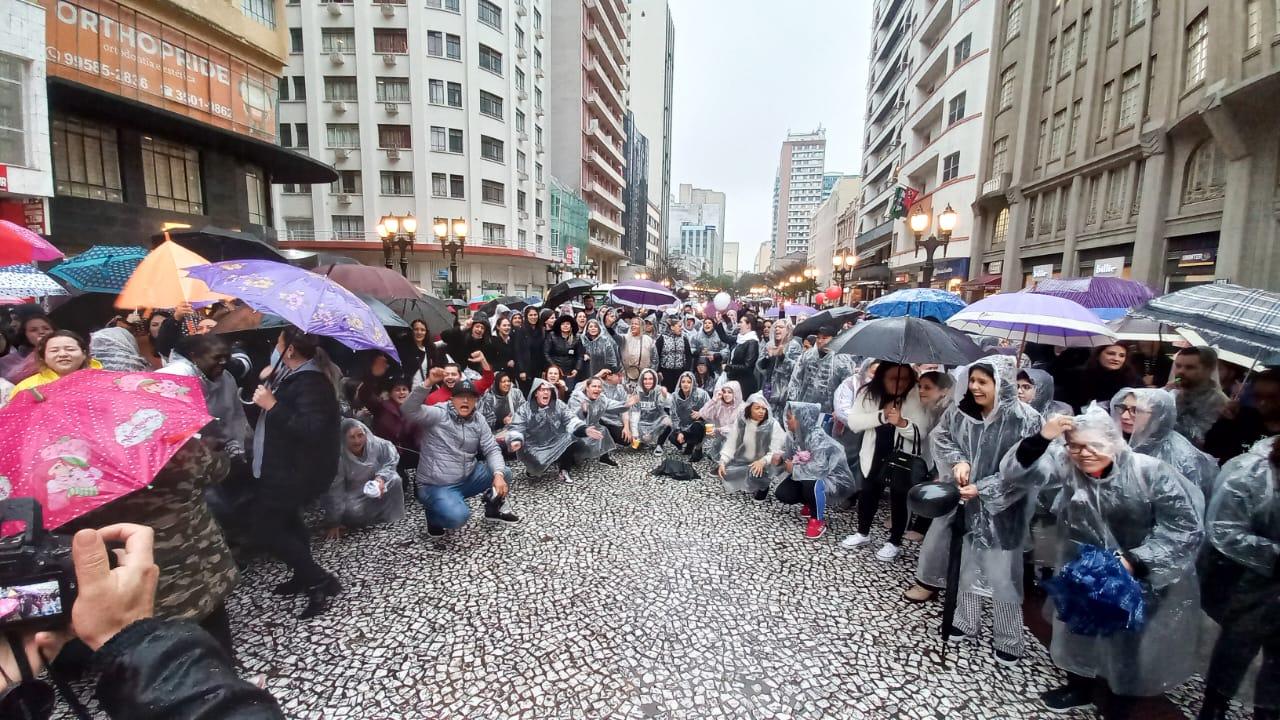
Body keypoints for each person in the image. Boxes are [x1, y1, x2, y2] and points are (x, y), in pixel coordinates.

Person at [1001, 407, 1204, 716]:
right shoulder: (1069, 467)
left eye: (1093, 444)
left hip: (1139, 575)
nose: (1085, 453)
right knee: (1077, 631)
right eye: (1076, 445)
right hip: (1082, 568)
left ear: (1113, 441)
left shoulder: (1149, 473)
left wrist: (1135, 561)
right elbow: (1018, 473)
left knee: (1127, 643)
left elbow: (1185, 528)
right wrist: (1043, 437)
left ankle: (1120, 701)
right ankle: (1079, 686)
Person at [0, 523, 285, 718]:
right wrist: (132, 640)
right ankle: (223, 679)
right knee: (210, 626)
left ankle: (220, 680)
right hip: (166, 581)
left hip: (130, 591)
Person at [65, 438, 240, 656]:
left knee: (161, 651)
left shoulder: (69, 477)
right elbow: (218, 469)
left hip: (134, 583)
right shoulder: (170, 448)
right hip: (200, 566)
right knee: (215, 632)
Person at [922, 354, 1043, 665]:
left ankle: (1009, 638)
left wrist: (985, 488)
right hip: (967, 503)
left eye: (982, 382)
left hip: (1005, 511)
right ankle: (965, 620)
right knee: (965, 565)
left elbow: (1028, 470)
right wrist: (958, 461)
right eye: (972, 380)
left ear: (999, 384)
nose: (975, 387)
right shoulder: (961, 412)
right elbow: (943, 437)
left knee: (1004, 577)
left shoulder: (1027, 419)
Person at [249, 329, 343, 619]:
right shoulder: (289, 377)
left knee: (267, 527)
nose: (274, 349)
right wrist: (267, 387)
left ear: (289, 351)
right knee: (289, 522)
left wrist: (273, 405)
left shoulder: (311, 382)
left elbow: (310, 429)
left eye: (278, 344)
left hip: (295, 471)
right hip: (282, 467)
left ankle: (318, 578)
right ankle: (303, 575)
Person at [1198, 436, 1280, 720]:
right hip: (1251, 582)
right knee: (1236, 646)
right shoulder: (1253, 472)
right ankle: (1215, 704)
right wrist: (1273, 555)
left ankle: (1268, 711)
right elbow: (1223, 530)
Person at [840, 362, 929, 562]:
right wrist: (882, 416)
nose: (900, 383)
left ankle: (894, 542)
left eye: (905, 379)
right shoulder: (868, 393)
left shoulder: (913, 395)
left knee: (899, 499)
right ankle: (863, 532)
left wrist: (901, 423)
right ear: (882, 377)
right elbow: (854, 422)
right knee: (868, 493)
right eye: (894, 378)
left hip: (901, 458)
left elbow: (921, 432)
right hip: (873, 452)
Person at [402, 379, 516, 535]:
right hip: (436, 485)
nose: (465, 401)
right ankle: (433, 515)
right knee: (458, 517)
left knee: (504, 473)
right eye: (460, 396)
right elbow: (408, 410)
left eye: (470, 397)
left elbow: (491, 448)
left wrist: (498, 474)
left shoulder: (478, 420)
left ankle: (492, 508)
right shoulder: (438, 414)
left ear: (476, 400)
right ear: (451, 399)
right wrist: (427, 383)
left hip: (468, 476)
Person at [1111, 388, 1218, 502]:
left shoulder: (1180, 458)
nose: (1124, 416)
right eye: (1122, 408)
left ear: (1158, 415)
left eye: (1135, 410)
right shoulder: (1120, 443)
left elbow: (1182, 508)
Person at [775, 401, 859, 540]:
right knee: (784, 493)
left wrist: (794, 468)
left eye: (790, 417)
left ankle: (818, 520)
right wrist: (781, 459)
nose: (786, 420)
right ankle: (810, 503)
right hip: (810, 474)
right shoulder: (793, 435)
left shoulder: (817, 437)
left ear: (802, 418)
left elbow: (819, 469)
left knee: (811, 482)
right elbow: (789, 455)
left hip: (835, 479)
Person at [322, 419, 405, 539]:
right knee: (353, 511)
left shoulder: (378, 444)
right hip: (352, 495)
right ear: (344, 438)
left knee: (395, 479)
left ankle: (392, 517)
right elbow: (335, 490)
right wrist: (334, 521)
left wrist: (380, 478)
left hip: (376, 487)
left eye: (360, 435)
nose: (357, 441)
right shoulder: (338, 457)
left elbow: (391, 460)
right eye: (352, 437)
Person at [508, 378, 601, 483]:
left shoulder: (558, 405)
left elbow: (570, 418)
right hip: (534, 444)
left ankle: (564, 470)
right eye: (542, 390)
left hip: (554, 440)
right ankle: (533, 468)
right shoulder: (525, 409)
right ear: (535, 393)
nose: (546, 392)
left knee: (570, 437)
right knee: (537, 467)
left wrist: (584, 429)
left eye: (548, 390)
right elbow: (517, 425)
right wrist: (516, 439)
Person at [717, 392, 785, 501]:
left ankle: (763, 486)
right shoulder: (742, 422)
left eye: (764, 408)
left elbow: (777, 450)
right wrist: (723, 461)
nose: (761, 411)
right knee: (726, 472)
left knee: (757, 471)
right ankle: (750, 477)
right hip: (745, 459)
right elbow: (732, 442)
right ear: (749, 409)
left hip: (766, 462)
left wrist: (762, 461)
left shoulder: (773, 424)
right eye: (757, 408)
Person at [1205, 369, 1280, 464]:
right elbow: (1211, 450)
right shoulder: (1241, 416)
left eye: (1272, 398)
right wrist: (1223, 422)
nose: (1263, 403)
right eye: (1258, 396)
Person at [8, 330, 102, 399]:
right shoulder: (26, 387)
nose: (62, 354)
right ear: (43, 357)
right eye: (54, 351)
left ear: (84, 354)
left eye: (70, 349)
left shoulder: (104, 381)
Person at [786, 325, 856, 416]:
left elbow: (847, 387)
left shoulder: (842, 360)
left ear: (834, 339)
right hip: (804, 406)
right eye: (818, 338)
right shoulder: (808, 355)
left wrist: (842, 409)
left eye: (824, 338)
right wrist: (792, 401)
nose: (820, 341)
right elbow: (796, 379)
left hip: (830, 411)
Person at [1168, 346, 1229, 447]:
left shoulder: (1221, 404)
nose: (1181, 372)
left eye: (1189, 367)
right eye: (1178, 366)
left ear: (1209, 370)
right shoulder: (1170, 393)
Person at [1059, 344, 1142, 413]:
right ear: (1098, 354)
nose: (1116, 359)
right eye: (1111, 353)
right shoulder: (1077, 376)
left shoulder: (1132, 379)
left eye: (1122, 356)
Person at [573, 376, 633, 467]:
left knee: (605, 431)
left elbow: (618, 406)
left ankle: (603, 457)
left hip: (606, 423)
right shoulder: (579, 396)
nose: (597, 389)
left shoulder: (615, 391)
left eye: (599, 387)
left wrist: (626, 425)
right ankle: (575, 456)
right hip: (582, 425)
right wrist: (584, 412)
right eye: (594, 386)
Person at [758, 323, 801, 418]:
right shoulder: (769, 344)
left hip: (784, 392)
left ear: (788, 330)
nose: (777, 329)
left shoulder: (794, 345)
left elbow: (796, 368)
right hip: (768, 387)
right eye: (775, 327)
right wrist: (768, 356)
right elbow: (760, 365)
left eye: (781, 327)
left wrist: (781, 356)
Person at [625, 368, 671, 454]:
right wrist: (635, 434)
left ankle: (659, 445)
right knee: (646, 438)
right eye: (645, 379)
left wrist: (665, 395)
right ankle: (643, 442)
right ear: (641, 380)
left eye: (650, 379)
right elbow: (635, 414)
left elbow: (667, 403)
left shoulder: (658, 390)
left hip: (656, 420)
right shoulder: (637, 392)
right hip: (642, 423)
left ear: (654, 380)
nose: (648, 381)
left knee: (668, 422)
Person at [697, 380, 744, 462]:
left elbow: (737, 427)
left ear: (735, 393)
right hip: (723, 435)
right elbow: (704, 414)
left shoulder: (742, 408)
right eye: (724, 392)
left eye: (729, 392)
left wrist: (719, 429)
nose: (726, 395)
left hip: (739, 438)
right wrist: (714, 400)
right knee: (715, 448)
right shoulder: (721, 404)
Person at [669, 370, 711, 460]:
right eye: (683, 381)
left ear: (693, 383)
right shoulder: (675, 396)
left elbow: (711, 408)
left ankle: (698, 449)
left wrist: (701, 413)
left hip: (699, 425)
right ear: (679, 383)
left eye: (689, 382)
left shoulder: (702, 394)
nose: (685, 384)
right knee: (672, 437)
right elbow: (673, 415)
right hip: (683, 425)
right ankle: (689, 444)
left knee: (696, 428)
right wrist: (679, 432)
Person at [0, 313, 54, 382]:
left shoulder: (62, 351)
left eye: (46, 328)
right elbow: (11, 379)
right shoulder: (6, 361)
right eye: (33, 330)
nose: (41, 332)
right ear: (25, 334)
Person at [479, 371, 526, 450]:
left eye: (508, 381)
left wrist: (516, 420)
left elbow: (524, 411)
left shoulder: (516, 393)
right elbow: (484, 422)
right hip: (496, 432)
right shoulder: (489, 398)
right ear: (497, 383)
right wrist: (502, 421)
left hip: (516, 428)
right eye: (503, 382)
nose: (507, 384)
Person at [425, 354, 494, 405]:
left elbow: (488, 380)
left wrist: (483, 360)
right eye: (447, 374)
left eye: (453, 374)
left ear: (460, 376)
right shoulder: (432, 398)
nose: (450, 377)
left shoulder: (469, 387)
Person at [724, 313, 762, 397]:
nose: (739, 325)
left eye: (741, 322)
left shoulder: (752, 342)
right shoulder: (740, 338)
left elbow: (747, 366)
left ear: (748, 325)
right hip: (735, 379)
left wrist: (730, 367)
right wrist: (719, 323)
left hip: (744, 383)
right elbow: (725, 338)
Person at [513, 306, 548, 395]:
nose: (533, 317)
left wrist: (544, 369)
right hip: (526, 368)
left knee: (537, 392)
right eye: (531, 315)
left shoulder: (541, 330)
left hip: (538, 367)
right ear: (526, 316)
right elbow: (518, 352)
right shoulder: (521, 330)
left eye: (535, 315)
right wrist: (522, 370)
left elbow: (543, 351)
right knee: (526, 392)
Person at [655, 318, 696, 392]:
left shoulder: (684, 338)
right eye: (679, 326)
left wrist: (687, 370)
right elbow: (656, 355)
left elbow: (688, 356)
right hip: (665, 372)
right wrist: (658, 370)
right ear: (672, 327)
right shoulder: (662, 338)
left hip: (680, 372)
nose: (682, 328)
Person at [543, 315, 582, 388]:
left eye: (567, 324)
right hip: (555, 369)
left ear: (571, 326)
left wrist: (577, 369)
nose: (565, 326)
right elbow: (546, 353)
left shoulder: (576, 337)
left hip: (570, 370)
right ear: (559, 326)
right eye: (563, 324)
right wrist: (554, 367)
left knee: (568, 390)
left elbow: (579, 355)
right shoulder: (552, 335)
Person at [620, 317, 656, 383]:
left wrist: (651, 374)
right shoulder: (624, 338)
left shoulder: (648, 340)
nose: (633, 325)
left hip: (644, 377)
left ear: (642, 326)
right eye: (632, 324)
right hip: (626, 376)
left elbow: (655, 359)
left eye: (636, 324)